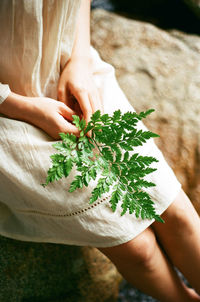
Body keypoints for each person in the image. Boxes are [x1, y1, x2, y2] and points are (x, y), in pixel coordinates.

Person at [0, 1, 199, 301]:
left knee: (178, 213)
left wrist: (79, 59)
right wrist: (21, 106)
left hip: (67, 72)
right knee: (139, 249)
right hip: (9, 113)